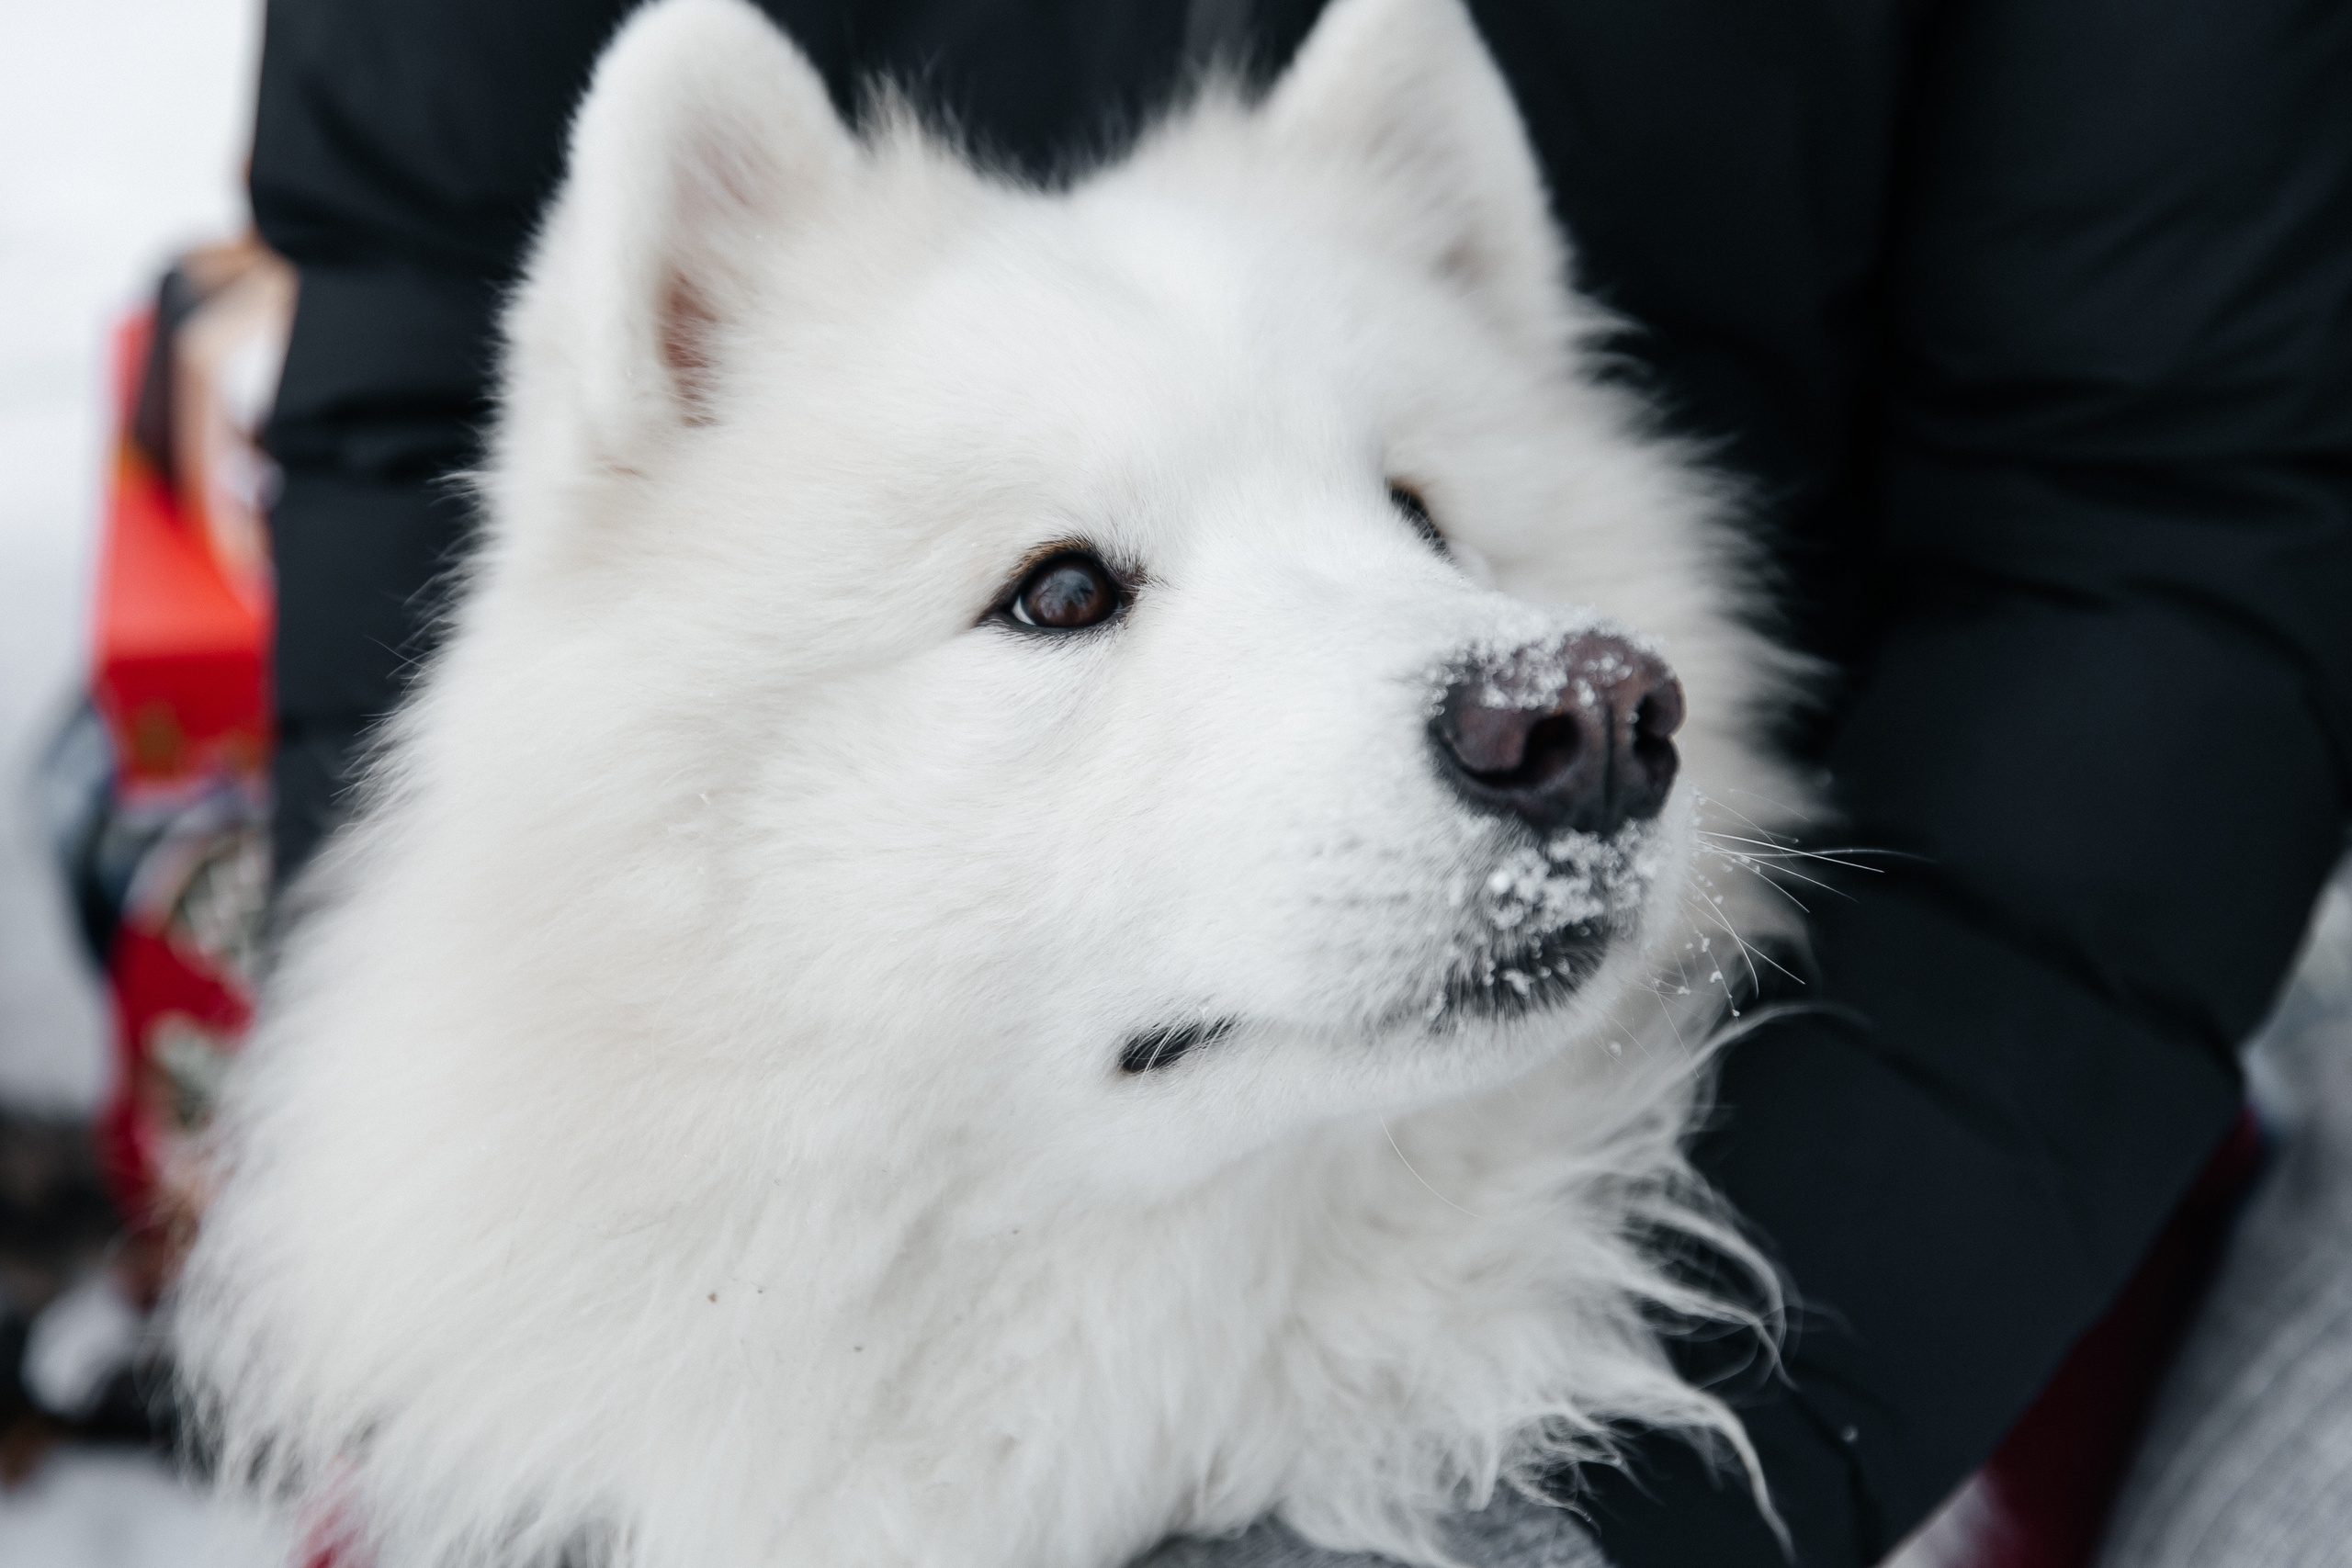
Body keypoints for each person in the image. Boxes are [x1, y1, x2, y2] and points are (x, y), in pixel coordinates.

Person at [245, 0, 2352, 1562]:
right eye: (1063, 591)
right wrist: (472, 1235)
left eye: (1431, 522)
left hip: (1965, 1043)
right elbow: (422, 360)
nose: (1525, 684)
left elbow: (2160, 519)